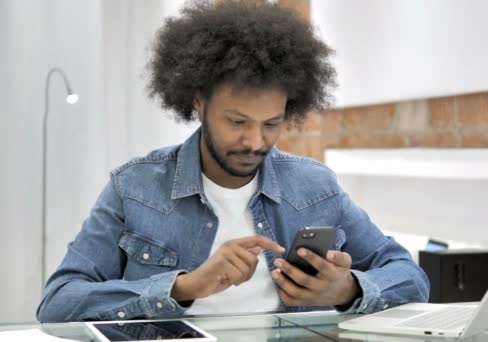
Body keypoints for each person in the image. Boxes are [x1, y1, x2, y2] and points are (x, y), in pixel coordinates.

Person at [37, 0, 429, 322]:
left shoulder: (314, 186)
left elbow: (410, 276)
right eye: (237, 121)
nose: (255, 141)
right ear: (198, 101)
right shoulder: (135, 187)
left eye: (271, 123)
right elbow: (58, 302)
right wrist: (184, 287)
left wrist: (348, 290)